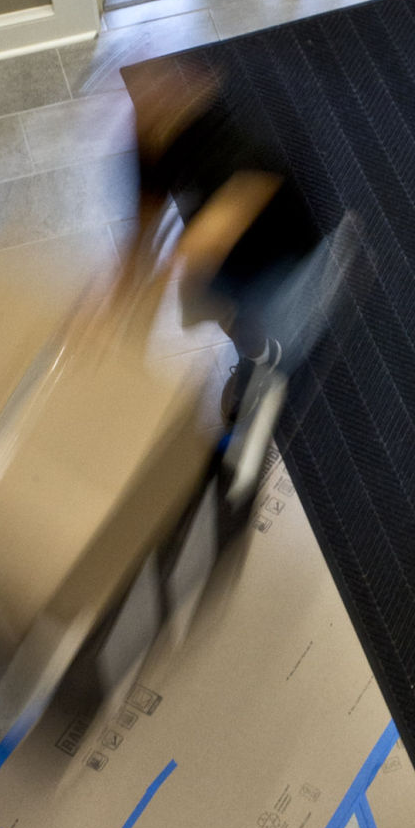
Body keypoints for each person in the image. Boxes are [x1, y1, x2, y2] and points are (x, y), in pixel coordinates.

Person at [124, 53, 365, 510]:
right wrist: (113, 309)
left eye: (159, 93)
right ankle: (249, 355)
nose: (143, 108)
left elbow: (201, 246)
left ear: (198, 88)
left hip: (285, 267)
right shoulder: (151, 133)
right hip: (230, 259)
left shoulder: (244, 149)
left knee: (269, 348)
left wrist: (130, 331)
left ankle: (252, 421)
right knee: (220, 311)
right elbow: (141, 233)